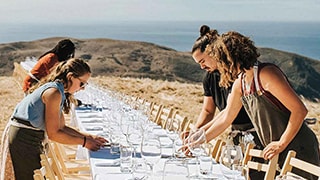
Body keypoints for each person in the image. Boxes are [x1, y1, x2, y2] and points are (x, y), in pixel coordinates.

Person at [202, 30, 319, 179]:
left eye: (220, 62)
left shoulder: (266, 74)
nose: (220, 68)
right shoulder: (241, 83)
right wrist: (199, 139)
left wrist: (281, 143)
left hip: (297, 146)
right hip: (276, 149)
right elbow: (226, 117)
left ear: (230, 59)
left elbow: (300, 110)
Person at [4, 58, 107, 180]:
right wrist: (84, 142)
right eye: (82, 83)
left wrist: (88, 137)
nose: (83, 88)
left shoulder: (59, 91)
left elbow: (62, 127)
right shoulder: (54, 93)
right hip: (24, 137)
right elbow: (54, 134)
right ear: (71, 77)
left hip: (29, 134)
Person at [191, 25, 263, 149]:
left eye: (203, 61)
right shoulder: (209, 78)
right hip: (235, 133)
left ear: (213, 53)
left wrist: (201, 136)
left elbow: (227, 114)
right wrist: (196, 132)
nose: (201, 67)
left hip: (257, 133)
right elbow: (208, 111)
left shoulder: (240, 75)